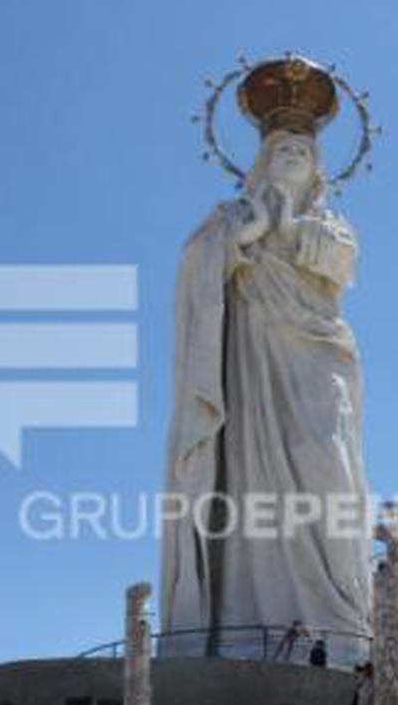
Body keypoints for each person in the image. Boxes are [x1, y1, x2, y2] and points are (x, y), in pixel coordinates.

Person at [159, 58, 372, 666]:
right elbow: (193, 269)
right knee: (254, 494)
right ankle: (252, 626)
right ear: (259, 162)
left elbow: (339, 264)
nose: (292, 162)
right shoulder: (229, 223)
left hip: (317, 362)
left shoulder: (332, 228)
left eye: (302, 156)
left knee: (328, 468)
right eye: (281, 153)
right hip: (251, 372)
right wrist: (240, 242)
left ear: (317, 171)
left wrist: (301, 236)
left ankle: (343, 627)